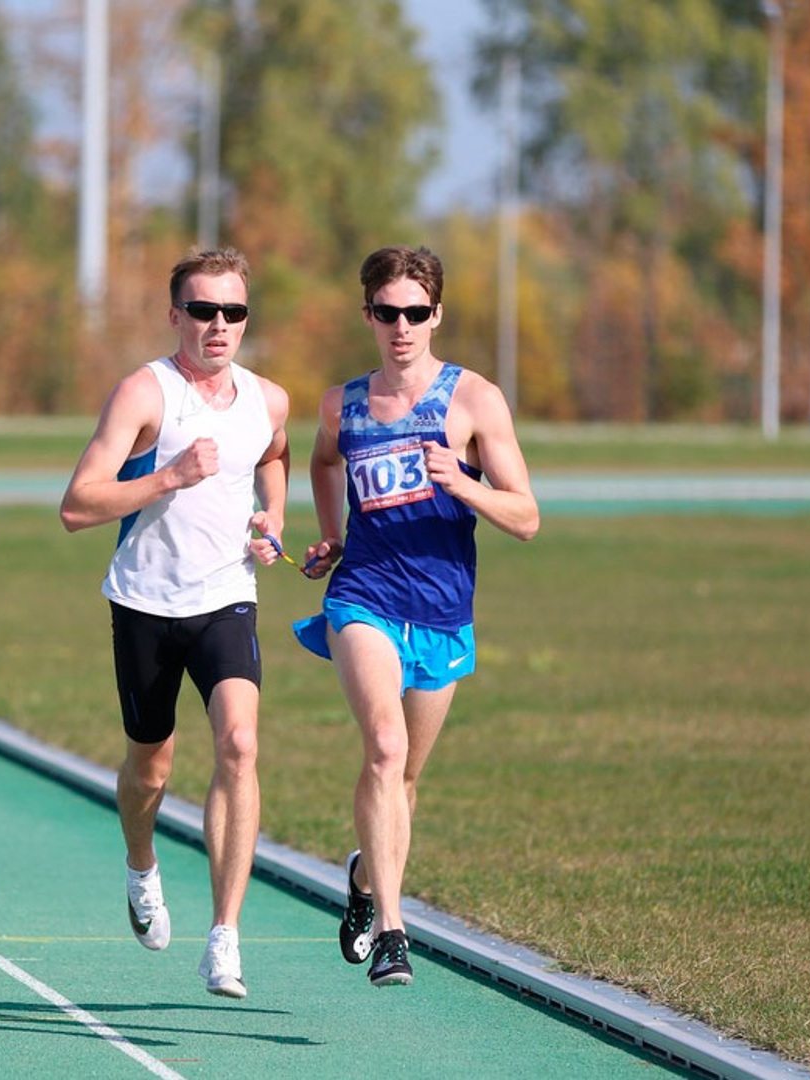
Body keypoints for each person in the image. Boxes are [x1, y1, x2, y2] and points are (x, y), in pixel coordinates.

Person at [292, 246, 539, 987]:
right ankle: (397, 935)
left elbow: (525, 516)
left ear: (437, 314)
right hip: (363, 596)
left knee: (404, 782)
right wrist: (333, 534)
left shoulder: (474, 401)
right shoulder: (344, 403)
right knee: (384, 748)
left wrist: (462, 484)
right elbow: (323, 461)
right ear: (367, 314)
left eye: (416, 313)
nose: (402, 327)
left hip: (441, 610)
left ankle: (367, 880)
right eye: (387, 313)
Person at [59, 248, 291, 999]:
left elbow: (276, 455)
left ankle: (224, 937)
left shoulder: (269, 399)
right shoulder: (144, 393)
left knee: (239, 743)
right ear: (175, 316)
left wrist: (273, 519)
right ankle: (140, 864)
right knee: (149, 766)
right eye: (202, 310)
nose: (218, 325)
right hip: (145, 605)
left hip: (227, 597)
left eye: (233, 311)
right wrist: (168, 477)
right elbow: (77, 505)